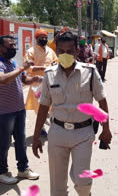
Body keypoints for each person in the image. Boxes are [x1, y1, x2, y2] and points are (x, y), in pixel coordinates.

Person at [32, 31, 112, 196]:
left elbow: (102, 101)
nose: (65, 55)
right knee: (57, 186)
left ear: (76, 51)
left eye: (69, 51)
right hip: (57, 132)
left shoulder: (89, 73)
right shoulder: (50, 74)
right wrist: (36, 136)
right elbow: (43, 106)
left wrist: (106, 129)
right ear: (57, 51)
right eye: (61, 51)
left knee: (83, 184)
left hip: (83, 133)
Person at [0, 35, 40, 184]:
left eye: (13, 45)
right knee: (3, 143)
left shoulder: (13, 63)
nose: (13, 48)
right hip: (4, 112)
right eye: (9, 46)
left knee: (21, 141)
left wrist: (35, 79)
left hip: (18, 109)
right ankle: (2, 171)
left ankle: (23, 169)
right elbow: (3, 80)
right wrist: (23, 68)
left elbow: (23, 80)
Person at [24, 29, 57, 137]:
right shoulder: (31, 51)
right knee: (39, 107)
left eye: (45, 38)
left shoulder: (50, 51)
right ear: (36, 39)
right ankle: (41, 128)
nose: (43, 40)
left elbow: (56, 61)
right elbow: (28, 68)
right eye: (41, 38)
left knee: (53, 105)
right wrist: (42, 68)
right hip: (36, 84)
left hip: (51, 82)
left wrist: (54, 63)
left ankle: (54, 125)